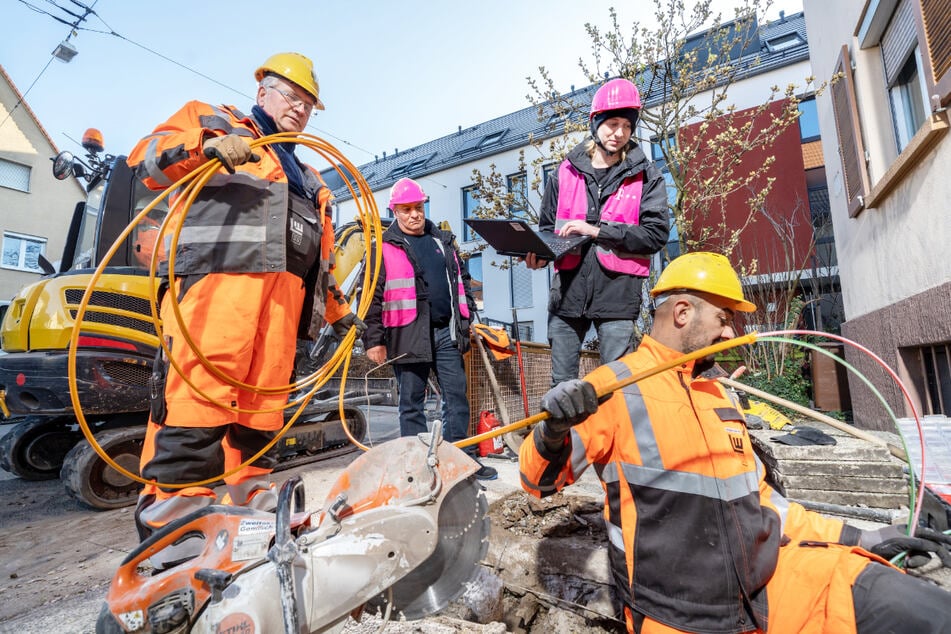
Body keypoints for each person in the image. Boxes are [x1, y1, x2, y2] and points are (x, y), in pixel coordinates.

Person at [520, 251, 951, 633]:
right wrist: (553, 430)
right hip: (679, 615)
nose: (730, 334)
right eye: (724, 318)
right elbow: (536, 480)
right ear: (683, 312)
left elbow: (769, 506)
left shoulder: (719, 395)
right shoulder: (613, 387)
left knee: (921, 608)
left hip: (771, 584)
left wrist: (867, 537)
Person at [126, 52, 365, 553]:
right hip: (215, 296)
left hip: (280, 312)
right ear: (263, 93)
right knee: (197, 400)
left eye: (308, 105)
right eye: (291, 97)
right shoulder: (212, 122)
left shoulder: (309, 177)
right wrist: (207, 146)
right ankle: (177, 522)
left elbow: (319, 260)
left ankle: (251, 508)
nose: (299, 110)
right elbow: (147, 159)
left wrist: (340, 314)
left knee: (260, 413)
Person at [524, 77, 669, 386]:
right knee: (561, 387)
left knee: (615, 386)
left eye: (627, 127)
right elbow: (548, 229)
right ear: (595, 122)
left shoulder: (646, 175)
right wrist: (539, 255)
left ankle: (612, 436)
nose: (619, 133)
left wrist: (596, 231)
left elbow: (656, 235)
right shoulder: (564, 172)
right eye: (612, 124)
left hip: (618, 294)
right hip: (567, 295)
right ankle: (567, 437)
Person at [364, 178, 497, 480]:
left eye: (418, 207)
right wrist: (374, 340)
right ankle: (419, 468)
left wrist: (468, 319)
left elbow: (462, 282)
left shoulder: (443, 242)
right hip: (407, 335)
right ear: (394, 211)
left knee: (457, 397)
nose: (414, 214)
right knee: (412, 403)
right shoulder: (382, 247)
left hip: (445, 334)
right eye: (406, 209)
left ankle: (461, 463)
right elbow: (370, 297)